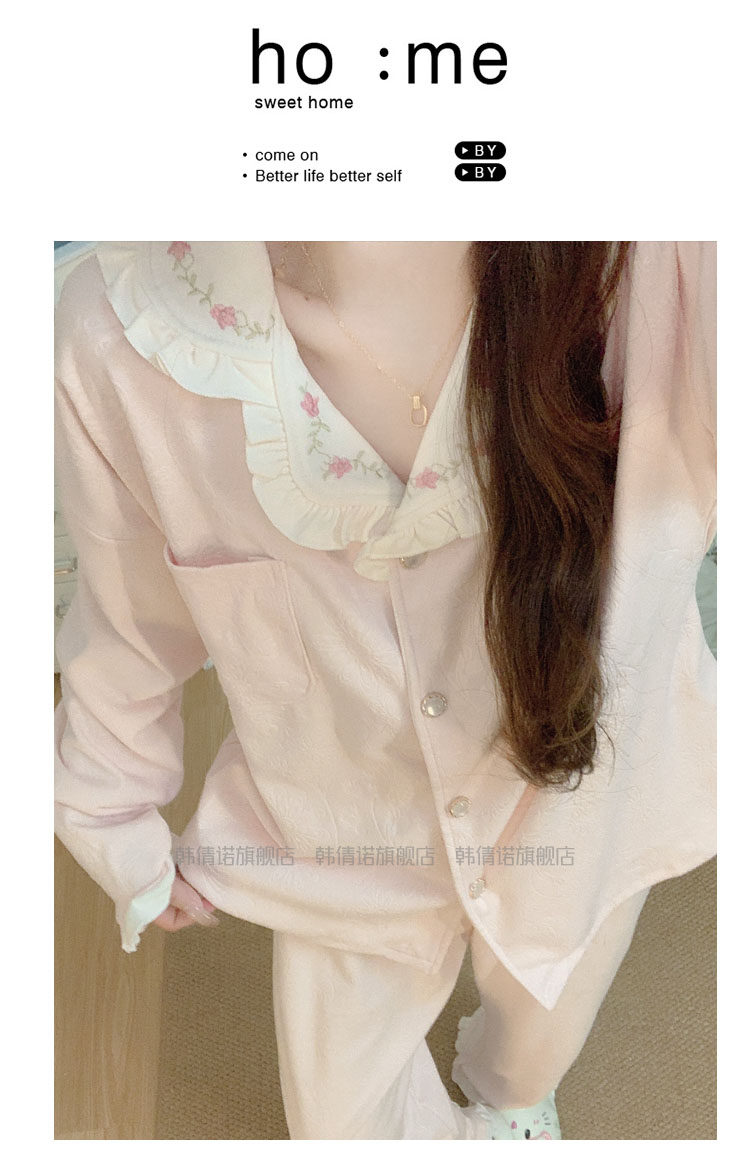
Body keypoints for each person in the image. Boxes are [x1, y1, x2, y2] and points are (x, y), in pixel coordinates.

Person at [54, 240, 716, 1140]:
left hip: (584, 803)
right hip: (343, 836)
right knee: (343, 1126)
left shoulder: (655, 261)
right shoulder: (124, 334)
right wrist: (110, 816)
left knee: (531, 1048)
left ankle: (507, 1104)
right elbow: (130, 617)